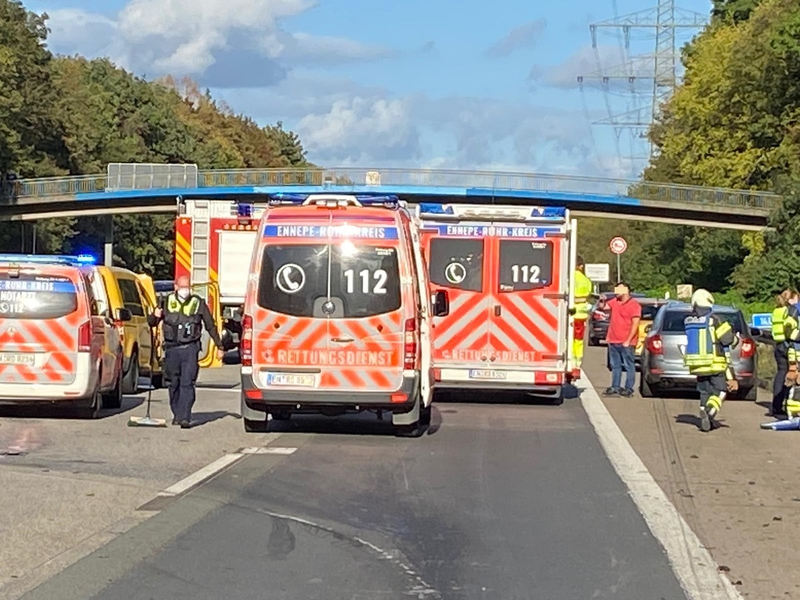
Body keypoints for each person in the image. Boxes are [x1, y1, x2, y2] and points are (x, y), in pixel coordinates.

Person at [148, 275, 225, 428]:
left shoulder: (198, 303)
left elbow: (210, 325)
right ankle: (177, 413)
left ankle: (185, 416)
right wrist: (154, 315)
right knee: (173, 382)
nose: (185, 290)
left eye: (187, 287)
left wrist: (220, 346)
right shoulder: (165, 302)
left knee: (187, 382)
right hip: (171, 349)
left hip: (190, 349)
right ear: (176, 287)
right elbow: (151, 323)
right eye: (182, 287)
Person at [683, 289, 738, 432]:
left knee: (704, 392)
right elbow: (727, 339)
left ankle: (703, 410)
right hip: (715, 363)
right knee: (721, 391)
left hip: (697, 366)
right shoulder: (715, 319)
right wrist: (735, 338)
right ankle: (710, 411)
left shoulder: (688, 321)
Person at [598, 282, 641, 397]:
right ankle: (615, 386)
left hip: (626, 342)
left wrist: (628, 340)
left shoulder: (634, 305)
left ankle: (628, 388)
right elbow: (603, 308)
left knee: (628, 365)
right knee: (615, 365)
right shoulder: (615, 302)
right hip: (613, 340)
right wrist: (601, 300)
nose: (616, 292)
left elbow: (635, 324)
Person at [771, 289, 800, 418]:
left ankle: (777, 405)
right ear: (791, 299)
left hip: (778, 345)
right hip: (789, 345)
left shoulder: (777, 310)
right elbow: (789, 328)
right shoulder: (790, 310)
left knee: (781, 374)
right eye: (797, 299)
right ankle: (791, 405)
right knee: (793, 375)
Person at [570, 255, 594, 376]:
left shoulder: (567, 277)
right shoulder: (586, 280)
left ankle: (568, 357)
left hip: (568, 313)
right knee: (578, 339)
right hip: (581, 315)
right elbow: (587, 296)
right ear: (581, 266)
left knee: (566, 338)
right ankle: (576, 363)